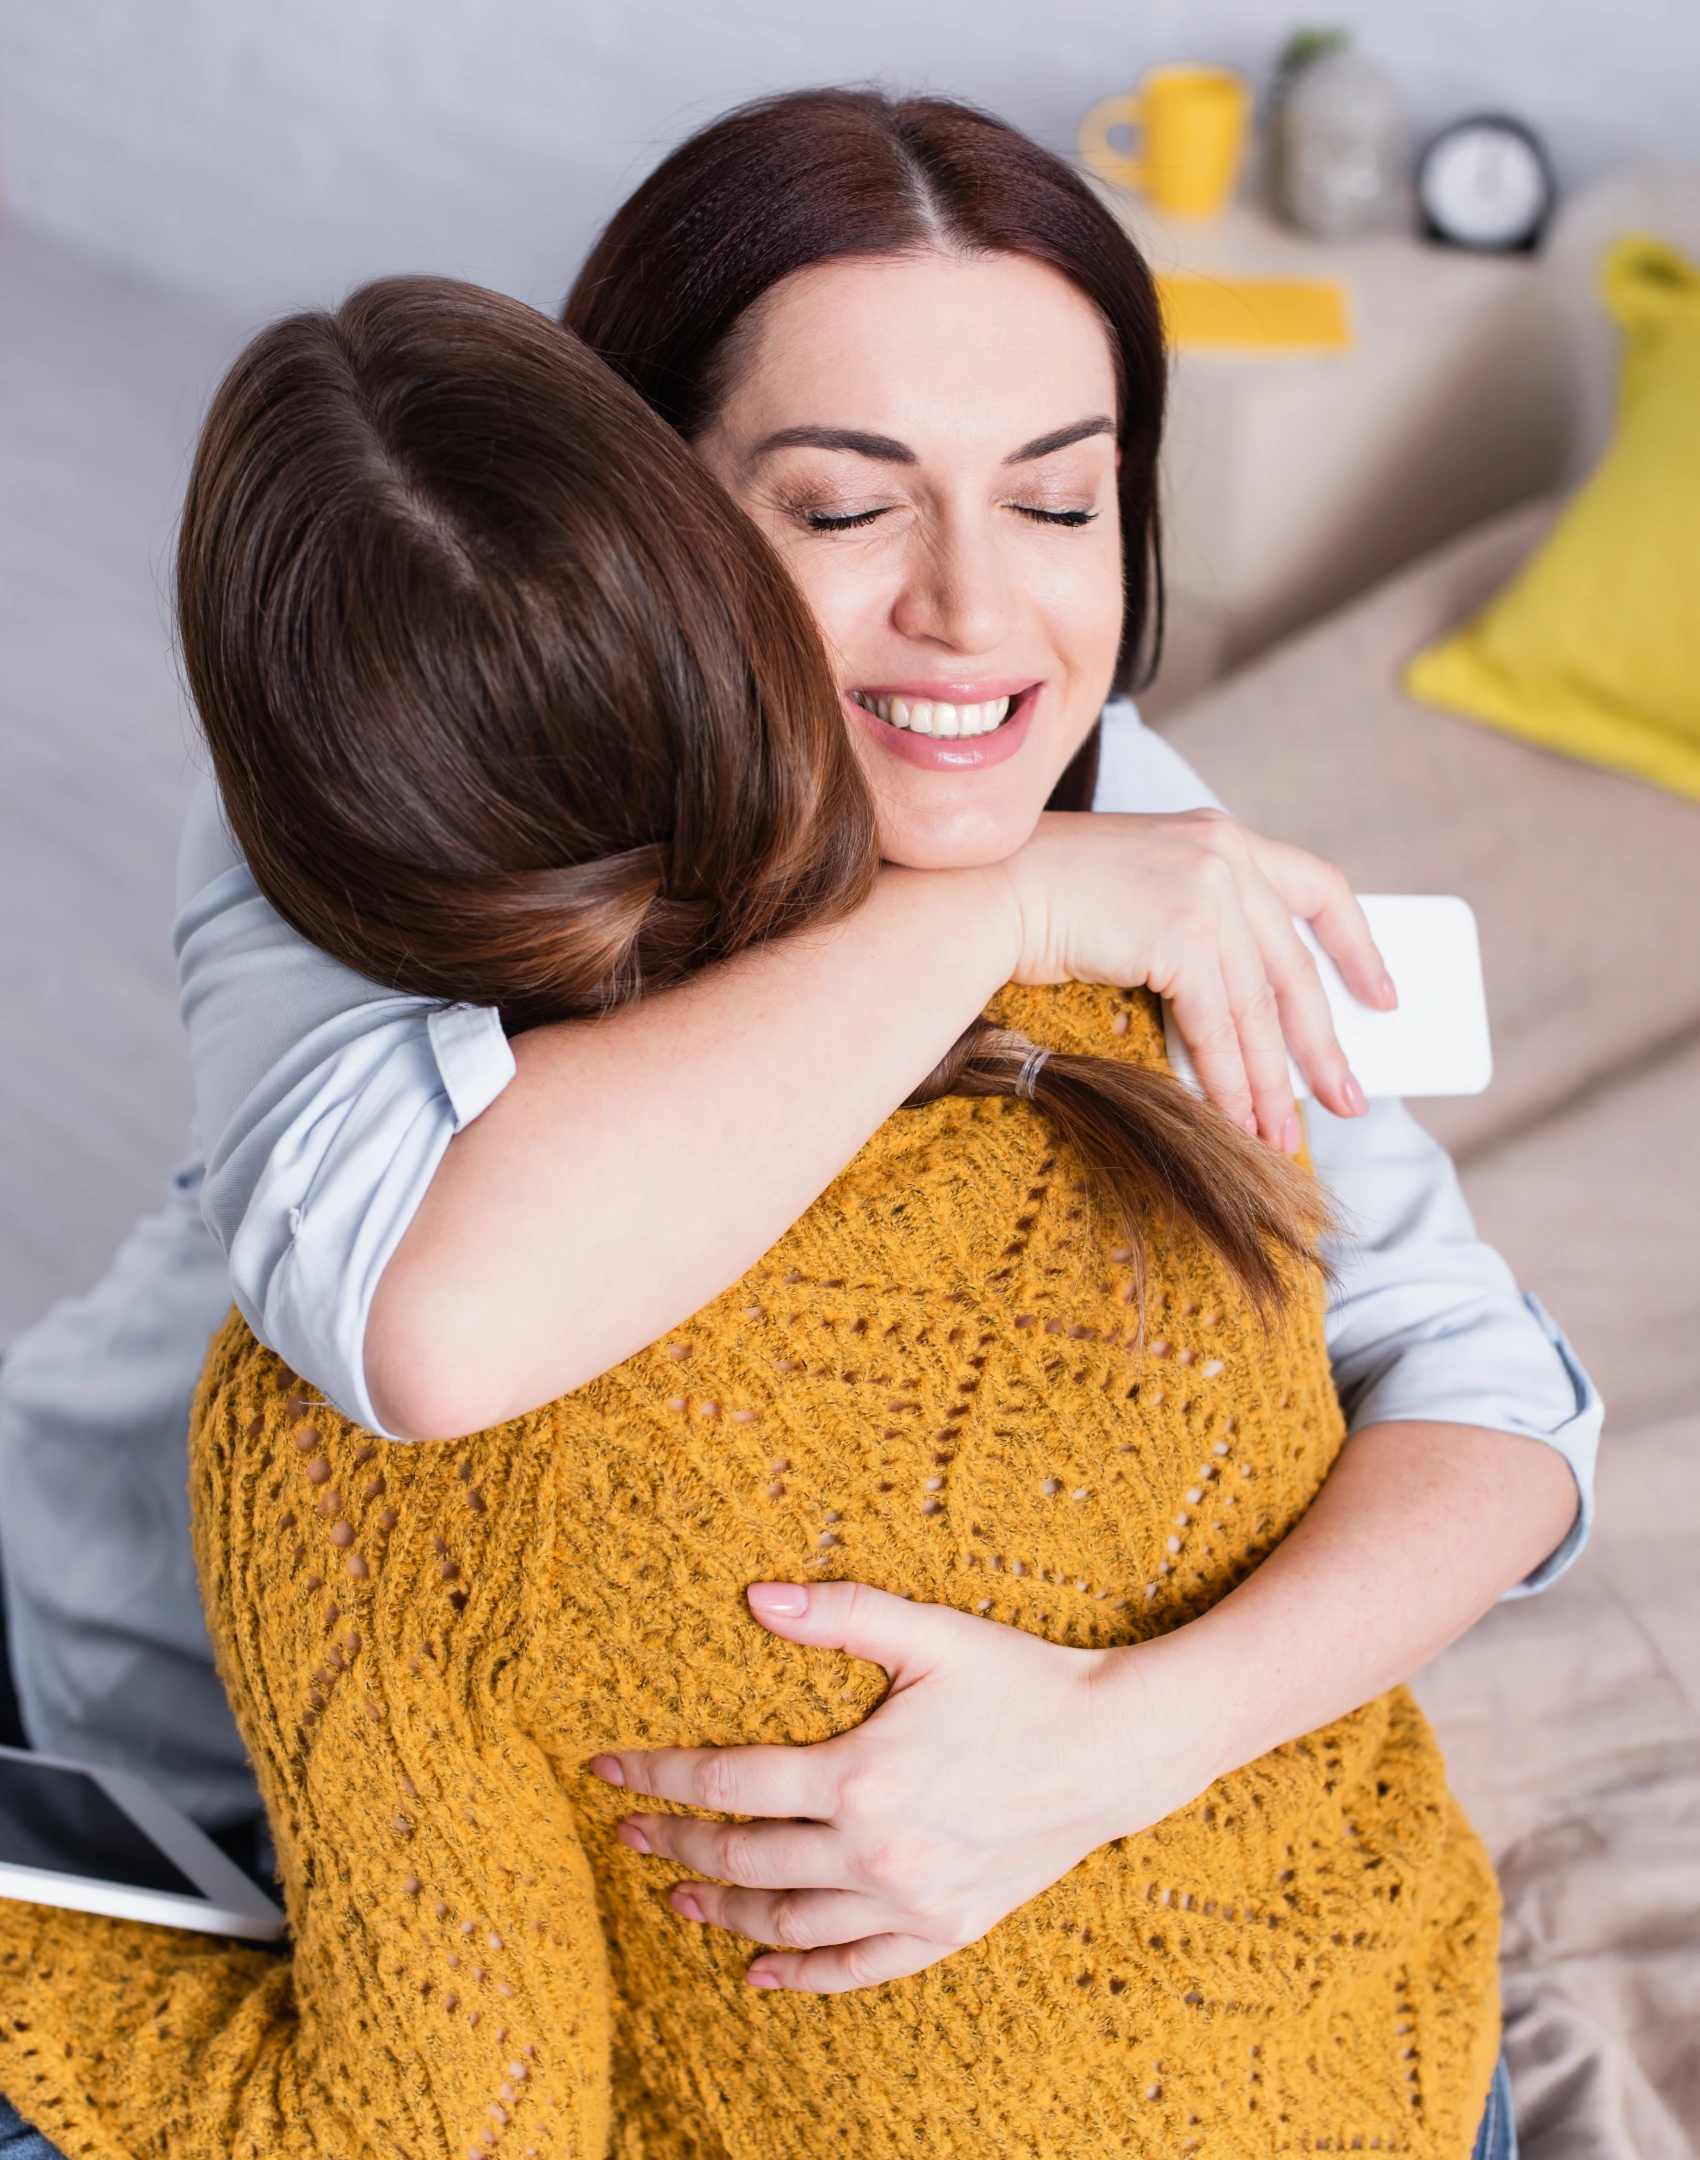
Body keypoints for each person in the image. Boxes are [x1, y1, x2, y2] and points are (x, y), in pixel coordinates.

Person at [0, 268, 1521, 2160]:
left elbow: (452, 2130)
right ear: (690, 545)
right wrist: (1004, 909)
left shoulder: (341, 1472)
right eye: (847, 505)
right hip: (1419, 2067)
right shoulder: (1117, 989)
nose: (971, 613)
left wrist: (1117, 1740)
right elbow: (432, 1323)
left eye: (1060, 499)